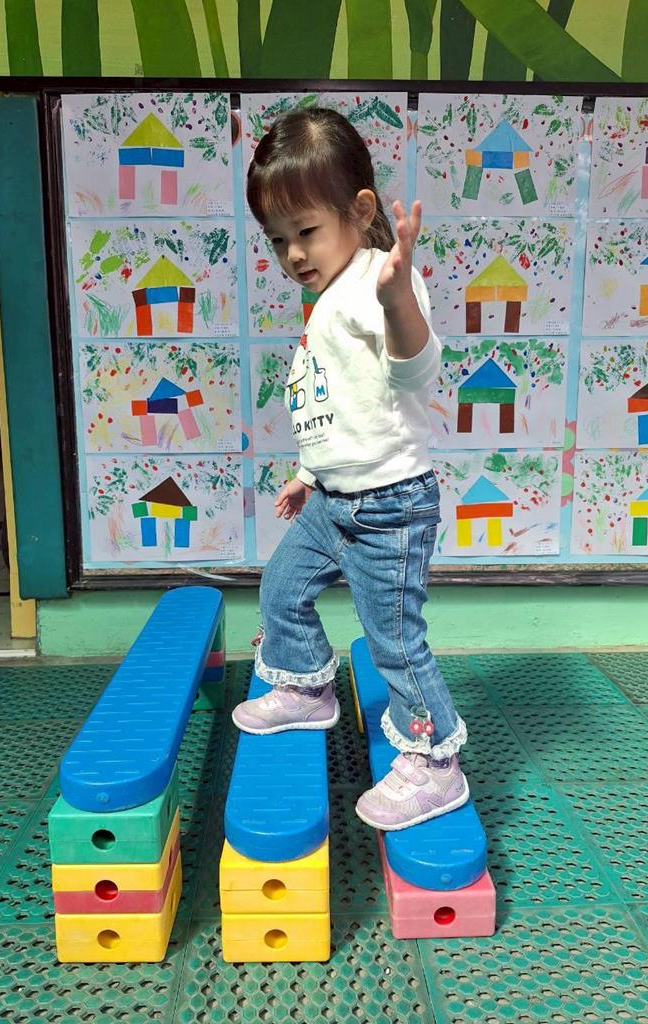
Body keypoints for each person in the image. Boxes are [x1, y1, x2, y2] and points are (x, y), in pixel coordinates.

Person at [232, 106, 468, 831]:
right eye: (278, 240)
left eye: (306, 231)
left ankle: (435, 764)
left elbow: (414, 371)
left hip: (390, 506)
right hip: (333, 499)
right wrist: (307, 473)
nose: (293, 253)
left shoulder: (377, 281)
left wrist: (399, 302)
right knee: (281, 589)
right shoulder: (328, 297)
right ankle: (307, 688)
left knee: (396, 641)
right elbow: (338, 407)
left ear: (360, 212)